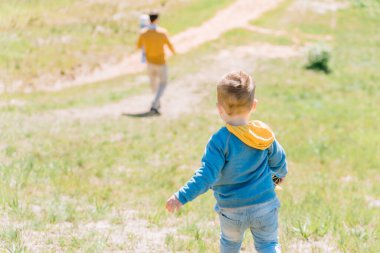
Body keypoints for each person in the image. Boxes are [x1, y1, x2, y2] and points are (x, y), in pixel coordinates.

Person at [166, 71, 288, 253]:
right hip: (265, 205)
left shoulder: (219, 141)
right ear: (254, 105)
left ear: (219, 108)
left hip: (232, 211)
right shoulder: (262, 133)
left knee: (230, 246)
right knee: (268, 245)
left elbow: (206, 176)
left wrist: (181, 196)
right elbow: (280, 162)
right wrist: (277, 180)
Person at [137, 12, 176, 115]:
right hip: (161, 62)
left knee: (154, 84)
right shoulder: (162, 32)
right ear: (157, 20)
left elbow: (138, 46)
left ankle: (156, 103)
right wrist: (175, 53)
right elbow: (170, 45)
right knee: (163, 83)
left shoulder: (143, 33)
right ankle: (155, 104)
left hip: (150, 63)